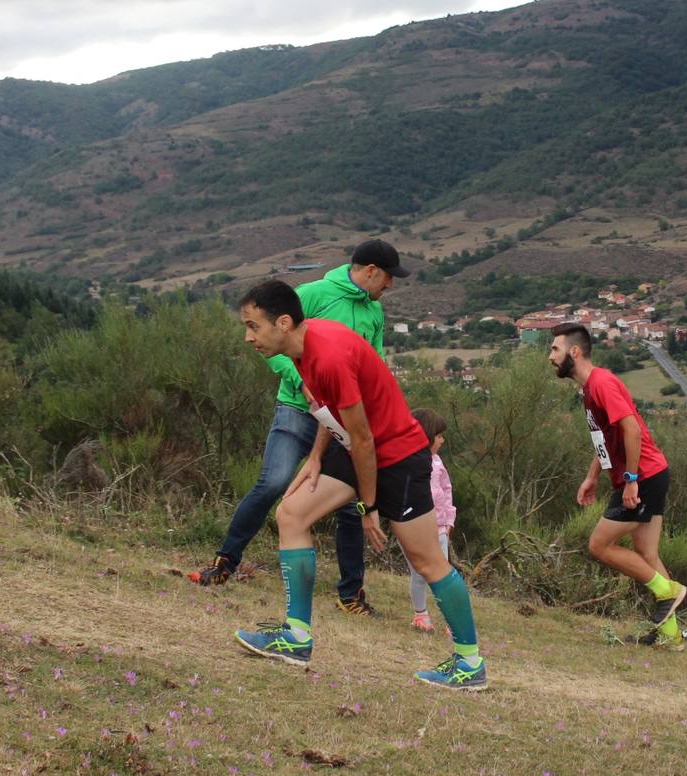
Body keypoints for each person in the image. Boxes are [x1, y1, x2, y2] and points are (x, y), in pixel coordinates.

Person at [231, 280, 486, 690]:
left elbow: (365, 439)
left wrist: (368, 508)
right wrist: (315, 457)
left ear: (282, 322)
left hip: (398, 457)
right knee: (291, 514)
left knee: (427, 561)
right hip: (356, 449)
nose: (248, 337)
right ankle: (296, 638)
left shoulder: (327, 354)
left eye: (253, 326)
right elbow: (333, 413)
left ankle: (470, 664)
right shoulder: (301, 349)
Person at [190, 239, 408, 619]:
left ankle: (351, 595)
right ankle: (225, 562)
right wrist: (302, 380)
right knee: (273, 483)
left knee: (350, 506)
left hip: (341, 416)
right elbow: (272, 342)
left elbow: (371, 363)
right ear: (371, 271)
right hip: (297, 409)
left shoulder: (374, 312)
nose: (389, 286)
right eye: (388, 278)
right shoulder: (313, 293)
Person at [549, 322, 686, 646]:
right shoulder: (589, 390)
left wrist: (631, 481)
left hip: (645, 476)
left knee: (599, 545)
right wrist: (593, 476)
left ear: (575, 351)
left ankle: (669, 591)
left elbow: (632, 431)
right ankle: (671, 635)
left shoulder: (602, 385)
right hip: (647, 475)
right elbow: (607, 438)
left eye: (555, 349)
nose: (550, 357)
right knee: (647, 553)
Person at [408, 408, 454, 633]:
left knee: (442, 573)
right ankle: (420, 615)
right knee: (418, 573)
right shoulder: (410, 463)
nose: (442, 440)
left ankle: (449, 619)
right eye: (438, 436)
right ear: (425, 435)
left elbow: (446, 490)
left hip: (439, 528)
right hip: (416, 528)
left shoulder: (438, 463)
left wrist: (448, 521)